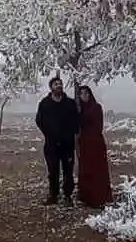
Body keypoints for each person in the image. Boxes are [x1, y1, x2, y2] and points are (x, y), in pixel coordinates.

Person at [35, 76, 81, 206]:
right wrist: (49, 134)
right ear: (51, 87)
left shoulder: (70, 103)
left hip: (67, 144)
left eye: (60, 84)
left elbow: (76, 120)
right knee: (53, 171)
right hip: (51, 144)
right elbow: (39, 121)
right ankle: (53, 195)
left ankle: (67, 196)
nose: (59, 86)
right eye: (56, 84)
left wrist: (72, 132)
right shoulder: (45, 103)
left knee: (68, 171)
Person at [75, 85, 113, 208]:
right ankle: (87, 196)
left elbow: (97, 126)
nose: (84, 96)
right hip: (84, 143)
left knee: (97, 169)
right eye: (81, 94)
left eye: (86, 93)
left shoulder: (96, 107)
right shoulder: (79, 109)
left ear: (90, 95)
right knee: (86, 169)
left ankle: (99, 197)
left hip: (95, 142)